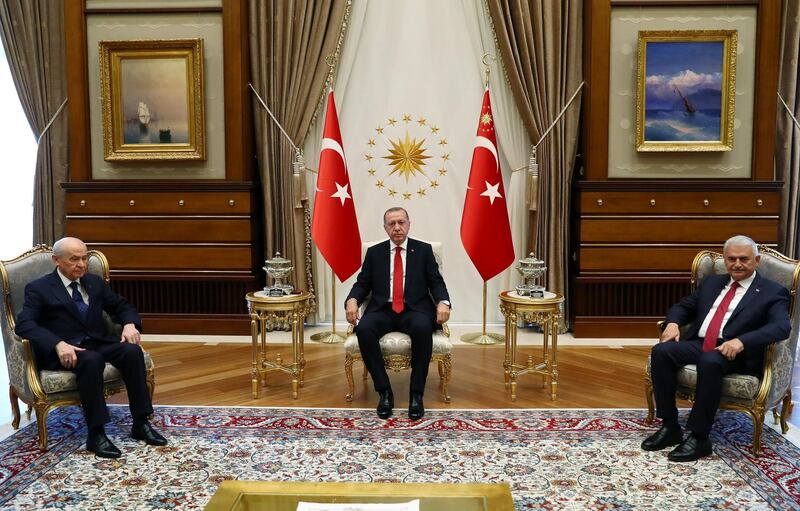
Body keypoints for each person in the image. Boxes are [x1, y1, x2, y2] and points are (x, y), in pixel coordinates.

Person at [642, 235, 790, 462]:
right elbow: (683, 307)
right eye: (731, 259)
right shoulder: (713, 283)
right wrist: (672, 323)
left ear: (757, 260)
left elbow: (781, 327)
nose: (737, 264)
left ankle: (700, 437)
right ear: (725, 260)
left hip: (737, 352)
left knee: (709, 361)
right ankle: (670, 426)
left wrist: (742, 341)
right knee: (662, 351)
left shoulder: (772, 291)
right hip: (701, 343)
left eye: (744, 259)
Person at [15, 237, 167, 458]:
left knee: (132, 352)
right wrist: (57, 343)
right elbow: (25, 324)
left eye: (84, 258)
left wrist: (129, 324)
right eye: (74, 259)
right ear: (56, 260)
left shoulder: (94, 282)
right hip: (66, 350)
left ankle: (141, 423)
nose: (82, 264)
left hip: (98, 342)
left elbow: (121, 305)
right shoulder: (39, 288)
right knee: (92, 360)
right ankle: (96, 434)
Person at [345, 207, 451, 420]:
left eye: (401, 222)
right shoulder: (375, 252)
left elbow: (436, 282)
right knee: (364, 328)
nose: (397, 228)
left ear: (409, 224)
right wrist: (352, 299)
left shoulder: (423, 250)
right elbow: (362, 283)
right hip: (383, 309)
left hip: (415, 310)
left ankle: (416, 395)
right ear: (385, 228)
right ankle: (384, 392)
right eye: (392, 224)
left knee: (422, 328)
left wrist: (443, 302)